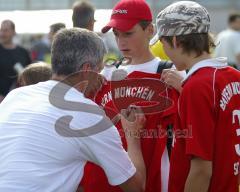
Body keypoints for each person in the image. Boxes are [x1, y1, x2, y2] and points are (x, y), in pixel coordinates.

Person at [0, 28, 146, 192]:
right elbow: (136, 186)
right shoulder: (89, 116)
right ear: (86, 69)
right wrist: (133, 135)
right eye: (98, 70)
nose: (100, 77)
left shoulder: (16, 96)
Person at [81, 1, 185, 192]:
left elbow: (201, 118)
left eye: (128, 33)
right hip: (110, 178)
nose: (121, 42)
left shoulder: (171, 73)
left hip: (156, 173)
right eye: (116, 34)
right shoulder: (107, 74)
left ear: (150, 30)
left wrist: (184, 90)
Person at [151, 1, 240, 191]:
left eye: (163, 43)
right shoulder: (234, 76)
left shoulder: (197, 86)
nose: (165, 51)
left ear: (175, 41)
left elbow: (201, 169)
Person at [0, 20, 31, 102]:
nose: (2, 34)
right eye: (1, 30)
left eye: (5, 30)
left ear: (13, 32)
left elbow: (29, 74)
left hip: (20, 99)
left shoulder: (23, 52)